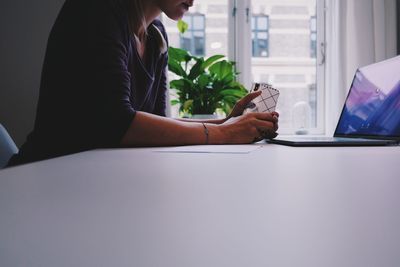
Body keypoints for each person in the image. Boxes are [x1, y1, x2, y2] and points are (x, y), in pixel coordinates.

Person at [7, 0, 279, 167]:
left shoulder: (156, 35)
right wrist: (224, 134)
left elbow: (153, 124)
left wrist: (226, 122)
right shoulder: (96, 10)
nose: (194, 1)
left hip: (95, 184)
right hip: (45, 181)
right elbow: (117, 123)